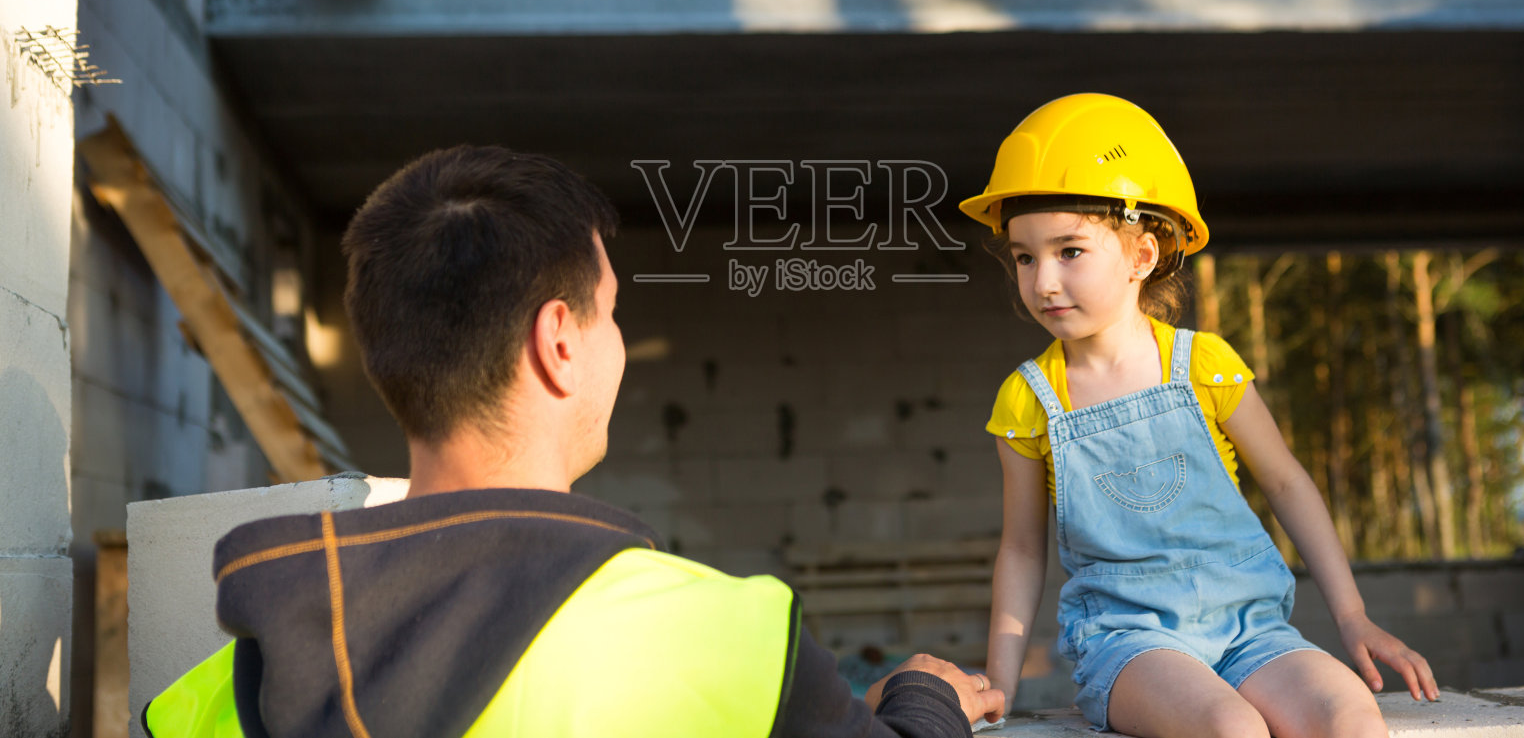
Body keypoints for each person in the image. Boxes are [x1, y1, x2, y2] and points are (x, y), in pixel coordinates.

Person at [143, 145, 1004, 738]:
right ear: (558, 342)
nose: (619, 342)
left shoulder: (241, 675)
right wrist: (925, 700)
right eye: (613, 312)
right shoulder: (727, 638)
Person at [962, 95, 1438, 737]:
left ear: (1142, 256)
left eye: (1069, 251)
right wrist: (1000, 682)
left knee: (1349, 718)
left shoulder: (1205, 367)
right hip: (1129, 645)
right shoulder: (1028, 400)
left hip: (1252, 633)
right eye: (1024, 256)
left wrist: (1353, 619)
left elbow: (1288, 483)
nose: (1043, 281)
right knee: (1230, 729)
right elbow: (1021, 549)